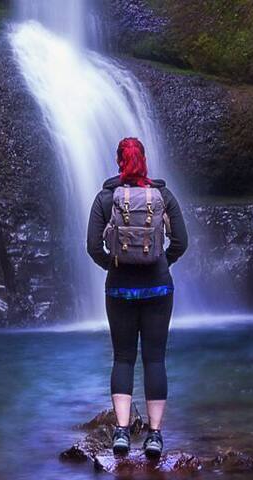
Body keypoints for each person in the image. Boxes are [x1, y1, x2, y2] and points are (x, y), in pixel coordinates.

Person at [85, 137, 188, 458]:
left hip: (119, 288)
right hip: (158, 288)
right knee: (155, 359)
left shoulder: (105, 198)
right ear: (144, 160)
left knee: (123, 358)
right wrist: (161, 263)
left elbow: (92, 246)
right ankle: (155, 436)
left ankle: (121, 432)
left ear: (118, 161)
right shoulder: (163, 196)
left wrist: (113, 266)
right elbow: (181, 242)